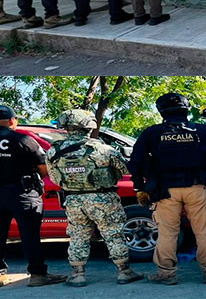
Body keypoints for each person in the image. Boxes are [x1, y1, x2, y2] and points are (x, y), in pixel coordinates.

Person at [128, 93, 206, 285]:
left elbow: (135, 161)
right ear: (186, 110)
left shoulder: (152, 132)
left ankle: (166, 274)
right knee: (204, 232)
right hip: (196, 188)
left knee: (167, 233)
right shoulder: (199, 130)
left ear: (161, 111)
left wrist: (139, 187)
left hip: (165, 191)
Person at [0, 105, 66, 288]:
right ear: (12, 120)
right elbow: (44, 168)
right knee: (30, 235)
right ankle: (37, 274)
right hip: (23, 193)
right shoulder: (23, 139)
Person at [45, 109, 143, 287]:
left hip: (74, 200)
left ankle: (78, 275)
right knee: (113, 234)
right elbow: (125, 170)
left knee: (77, 236)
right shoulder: (104, 149)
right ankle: (124, 272)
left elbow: (53, 178)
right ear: (89, 126)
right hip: (104, 199)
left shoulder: (53, 151)